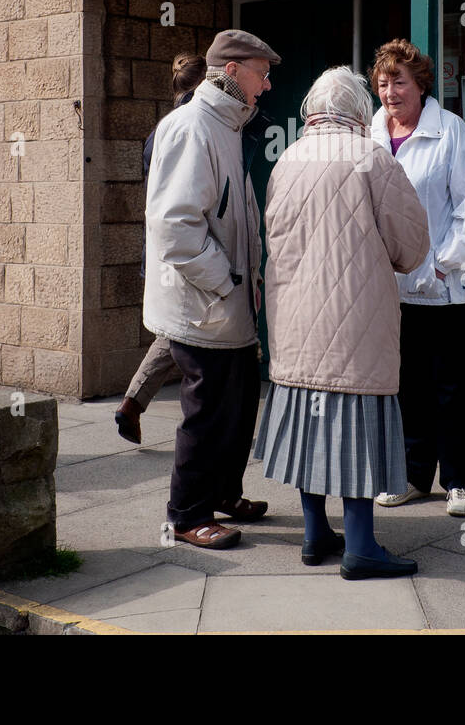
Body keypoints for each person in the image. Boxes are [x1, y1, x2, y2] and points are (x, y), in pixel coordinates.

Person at [254, 67, 429, 579]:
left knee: (311, 428)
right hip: (355, 324)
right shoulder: (370, 157)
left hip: (294, 326)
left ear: (312, 110)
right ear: (357, 111)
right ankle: (360, 547)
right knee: (353, 429)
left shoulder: (286, 160)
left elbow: (274, 239)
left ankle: (314, 535)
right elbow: (411, 247)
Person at [143, 29, 279, 550]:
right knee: (205, 415)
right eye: (261, 74)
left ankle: (224, 490)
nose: (266, 87)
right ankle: (186, 515)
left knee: (239, 406)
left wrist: (250, 277)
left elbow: (234, 212)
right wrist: (228, 283)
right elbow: (175, 229)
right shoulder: (190, 128)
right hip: (203, 306)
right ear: (232, 71)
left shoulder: (226, 125)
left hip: (227, 303)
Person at [369, 40, 465, 518]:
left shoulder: (451, 132)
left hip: (443, 287)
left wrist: (440, 263)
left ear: (421, 84)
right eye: (383, 82)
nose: (391, 92)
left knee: (450, 387)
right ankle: (415, 475)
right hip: (390, 289)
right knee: (406, 385)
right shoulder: (372, 133)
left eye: (400, 81)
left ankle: (460, 481)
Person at [115, 52, 207, 445]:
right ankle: (194, 424)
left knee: (172, 335)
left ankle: (133, 404)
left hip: (160, 251)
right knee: (184, 336)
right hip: (182, 251)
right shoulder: (190, 126)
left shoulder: (163, 127)